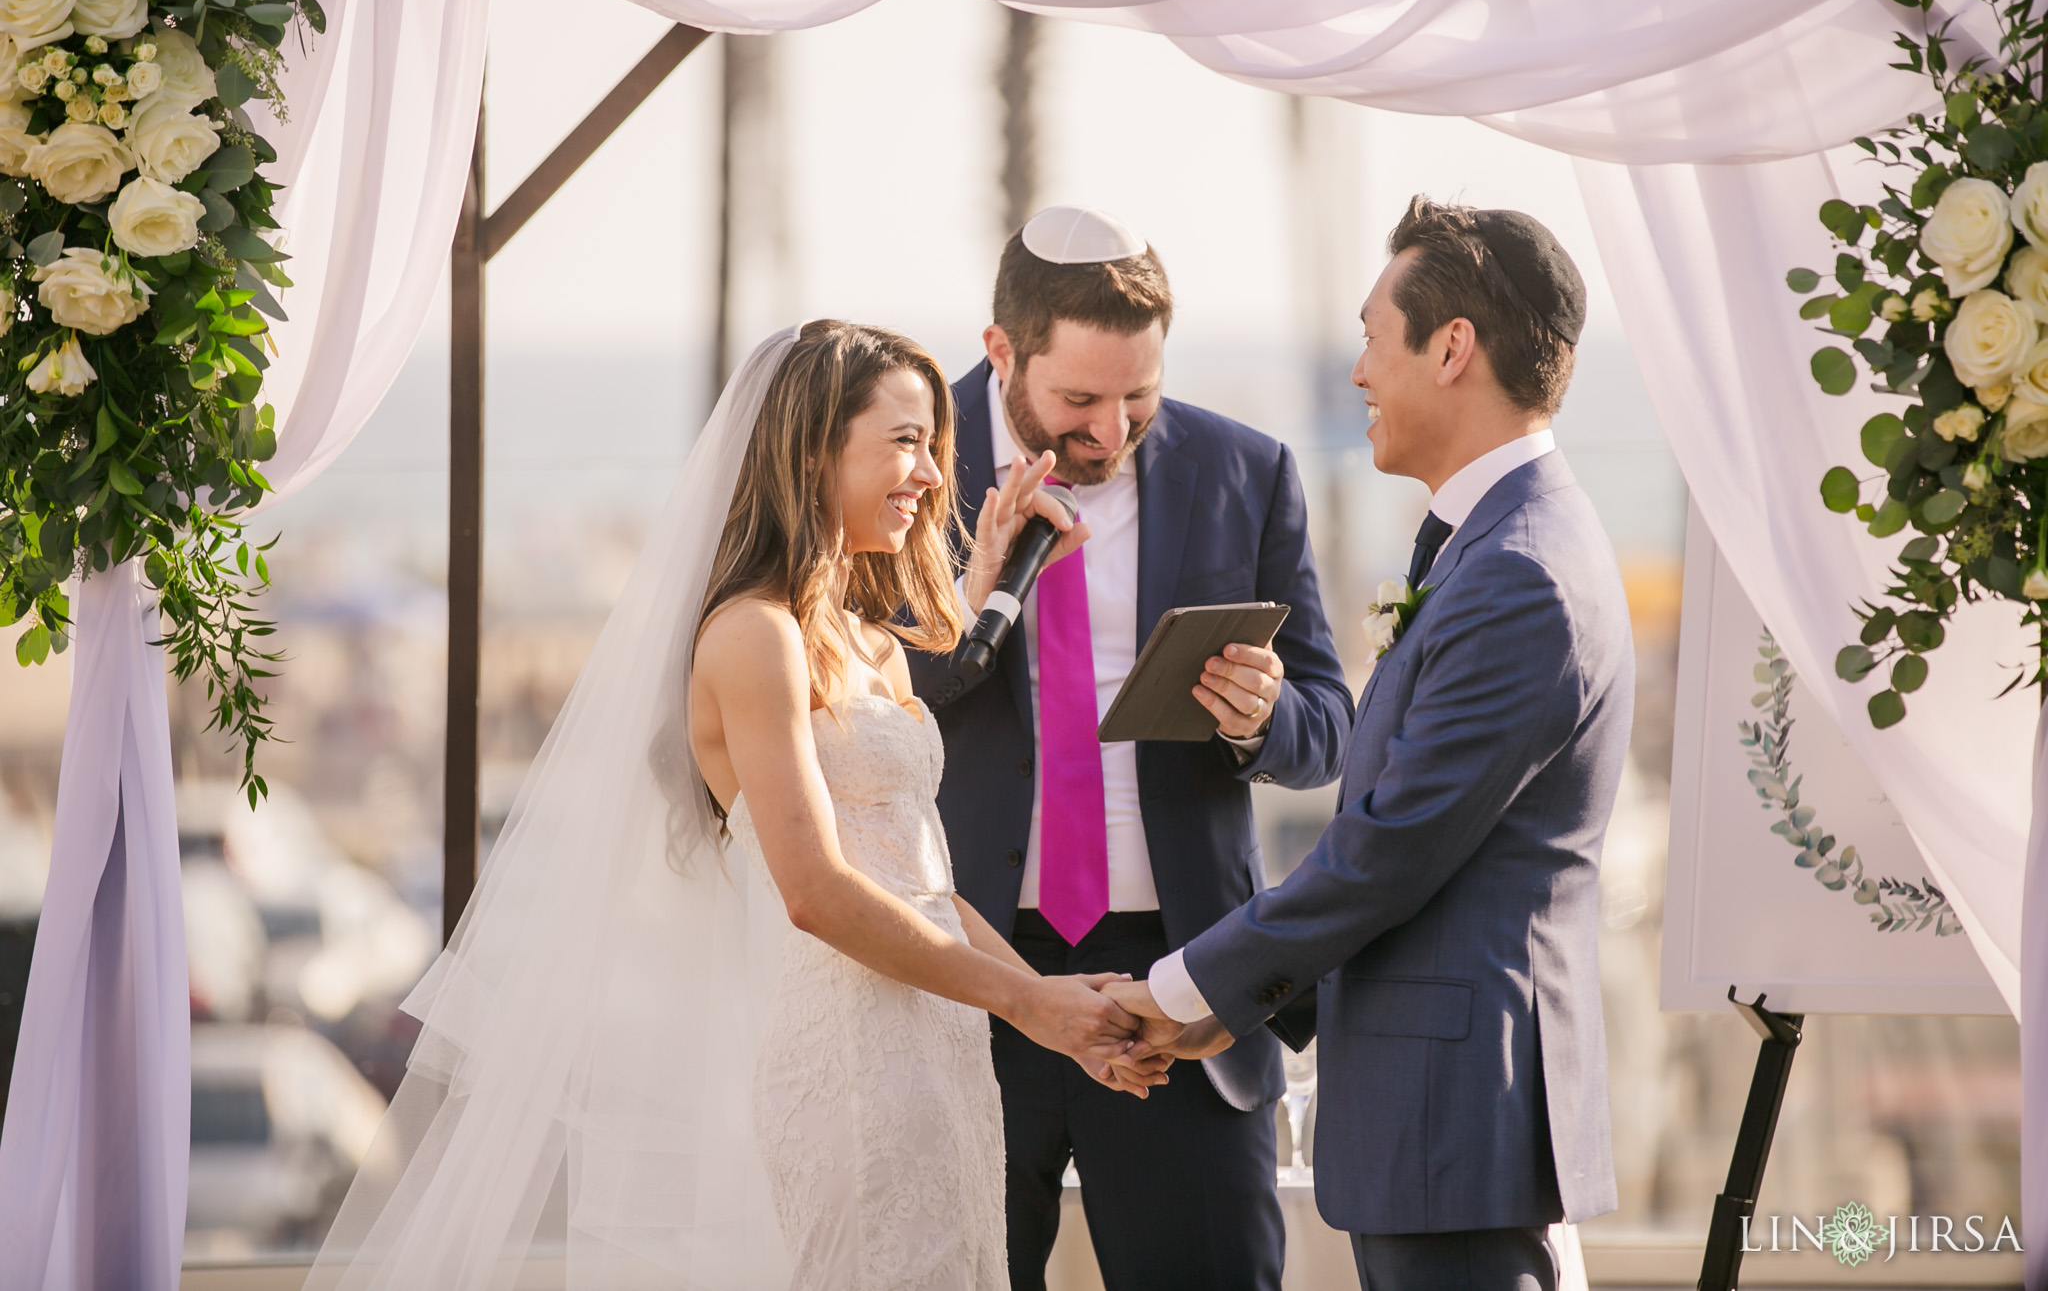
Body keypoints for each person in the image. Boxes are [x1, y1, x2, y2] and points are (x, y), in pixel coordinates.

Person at [306, 322, 1160, 1291]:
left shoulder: (870, 644)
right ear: (808, 449)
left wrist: (1054, 1012)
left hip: (944, 1056)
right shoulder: (752, 638)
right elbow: (816, 891)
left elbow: (921, 883)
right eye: (904, 441)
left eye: (932, 444)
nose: (930, 474)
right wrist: (1024, 996)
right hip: (846, 1067)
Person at [1110, 197, 1634, 1291]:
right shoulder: (1493, 543)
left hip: (1456, 1125)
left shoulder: (1518, 575)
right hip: (1438, 1121)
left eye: (1369, 336)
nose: (1356, 372)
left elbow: (1387, 850)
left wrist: (1181, 991)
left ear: (1451, 349)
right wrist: (1246, 1006)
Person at [907, 207, 1352, 1291]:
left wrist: (1257, 718)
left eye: (1137, 400)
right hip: (959, 981)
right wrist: (974, 604)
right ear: (1000, 350)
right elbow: (864, 711)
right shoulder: (910, 470)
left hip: (1178, 997)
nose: (1108, 432)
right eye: (1078, 402)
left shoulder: (1246, 471)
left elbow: (1327, 729)